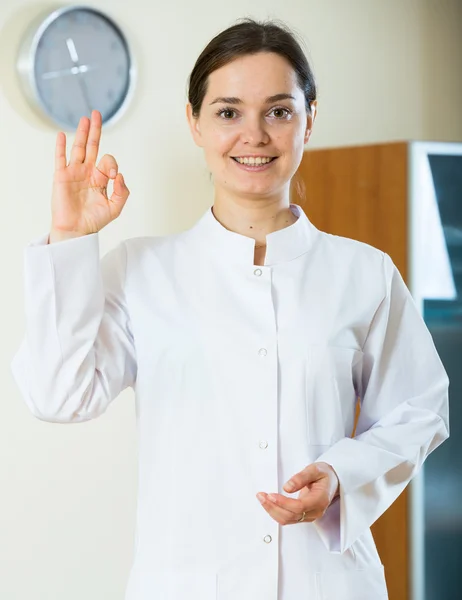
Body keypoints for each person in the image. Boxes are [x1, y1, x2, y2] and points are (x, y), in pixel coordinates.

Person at [10, 17, 449, 600]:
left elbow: (420, 408)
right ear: (194, 122)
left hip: (328, 584)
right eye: (227, 112)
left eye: (279, 111)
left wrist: (343, 473)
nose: (255, 135)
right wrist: (69, 235)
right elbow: (58, 395)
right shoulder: (140, 271)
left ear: (309, 120)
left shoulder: (364, 273)